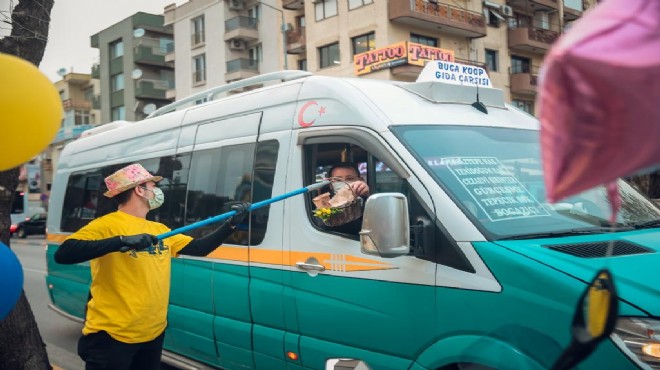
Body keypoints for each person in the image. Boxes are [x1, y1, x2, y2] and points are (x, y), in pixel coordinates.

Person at [54, 163, 250, 370]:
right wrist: (121, 240)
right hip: (111, 336)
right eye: (152, 185)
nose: (157, 191)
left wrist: (231, 225)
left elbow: (200, 247)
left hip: (152, 333)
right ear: (139, 189)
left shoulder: (158, 229)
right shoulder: (107, 224)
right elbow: (65, 253)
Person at [313, 162, 370, 235]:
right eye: (338, 180)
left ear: (361, 180)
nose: (344, 182)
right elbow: (320, 227)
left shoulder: (367, 199)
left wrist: (367, 197)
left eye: (350, 178)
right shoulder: (324, 203)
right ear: (331, 184)